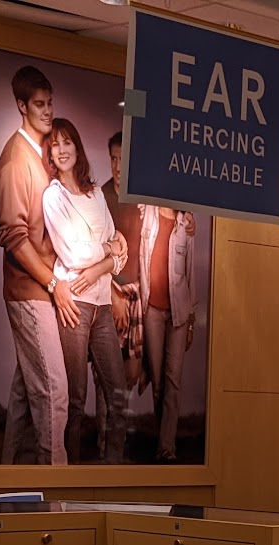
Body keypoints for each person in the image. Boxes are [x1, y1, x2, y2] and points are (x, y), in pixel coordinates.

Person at [0, 66, 74, 465]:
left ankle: (4, 474)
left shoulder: (44, 154)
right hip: (30, 291)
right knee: (54, 391)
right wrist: (53, 284)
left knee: (26, 392)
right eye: (39, 104)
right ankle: (54, 487)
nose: (47, 111)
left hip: (46, 287)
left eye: (50, 103)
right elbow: (14, 236)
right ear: (21, 106)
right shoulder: (16, 160)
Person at [41, 118, 130, 464]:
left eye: (67, 143)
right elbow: (75, 256)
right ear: (50, 154)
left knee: (118, 395)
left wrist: (99, 266)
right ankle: (71, 477)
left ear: (77, 148)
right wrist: (107, 253)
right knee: (75, 399)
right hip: (75, 307)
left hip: (103, 306)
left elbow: (121, 254)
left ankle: (113, 470)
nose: (62, 150)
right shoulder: (54, 196)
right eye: (55, 145)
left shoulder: (95, 194)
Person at [137, 204, 197, 461]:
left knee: (173, 380)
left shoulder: (186, 224)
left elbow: (191, 273)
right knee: (158, 381)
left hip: (179, 313)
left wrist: (191, 319)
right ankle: (163, 440)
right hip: (151, 310)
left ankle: (166, 447)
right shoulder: (147, 212)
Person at [103, 133, 148, 458]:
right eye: (114, 159)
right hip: (106, 294)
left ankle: (117, 448)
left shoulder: (142, 198)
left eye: (124, 159)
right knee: (104, 375)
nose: (118, 166)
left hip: (136, 294)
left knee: (130, 375)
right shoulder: (101, 196)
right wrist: (111, 293)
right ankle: (105, 447)